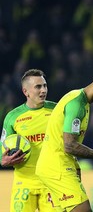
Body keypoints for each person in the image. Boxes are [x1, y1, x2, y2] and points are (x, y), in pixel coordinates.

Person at [36, 70, 93, 212]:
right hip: (57, 168)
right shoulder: (77, 104)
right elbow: (69, 145)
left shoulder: (80, 101)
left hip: (56, 166)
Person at [0, 69, 59, 211]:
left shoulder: (57, 110)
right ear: (25, 92)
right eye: (38, 87)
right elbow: (3, 146)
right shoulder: (13, 117)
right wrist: (2, 161)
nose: (43, 90)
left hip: (51, 181)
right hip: (24, 181)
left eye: (45, 86)